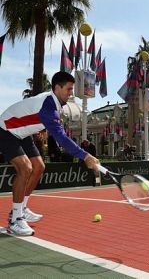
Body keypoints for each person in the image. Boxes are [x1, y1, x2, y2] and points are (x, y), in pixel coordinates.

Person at [0, 71, 100, 236]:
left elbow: (33, 113)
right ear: (57, 88)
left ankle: (22, 209)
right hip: (6, 130)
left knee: (39, 167)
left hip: (22, 133)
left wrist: (42, 126)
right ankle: (14, 219)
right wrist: (86, 156)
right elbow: (62, 139)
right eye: (68, 89)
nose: (71, 93)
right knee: (25, 169)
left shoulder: (52, 101)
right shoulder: (48, 106)